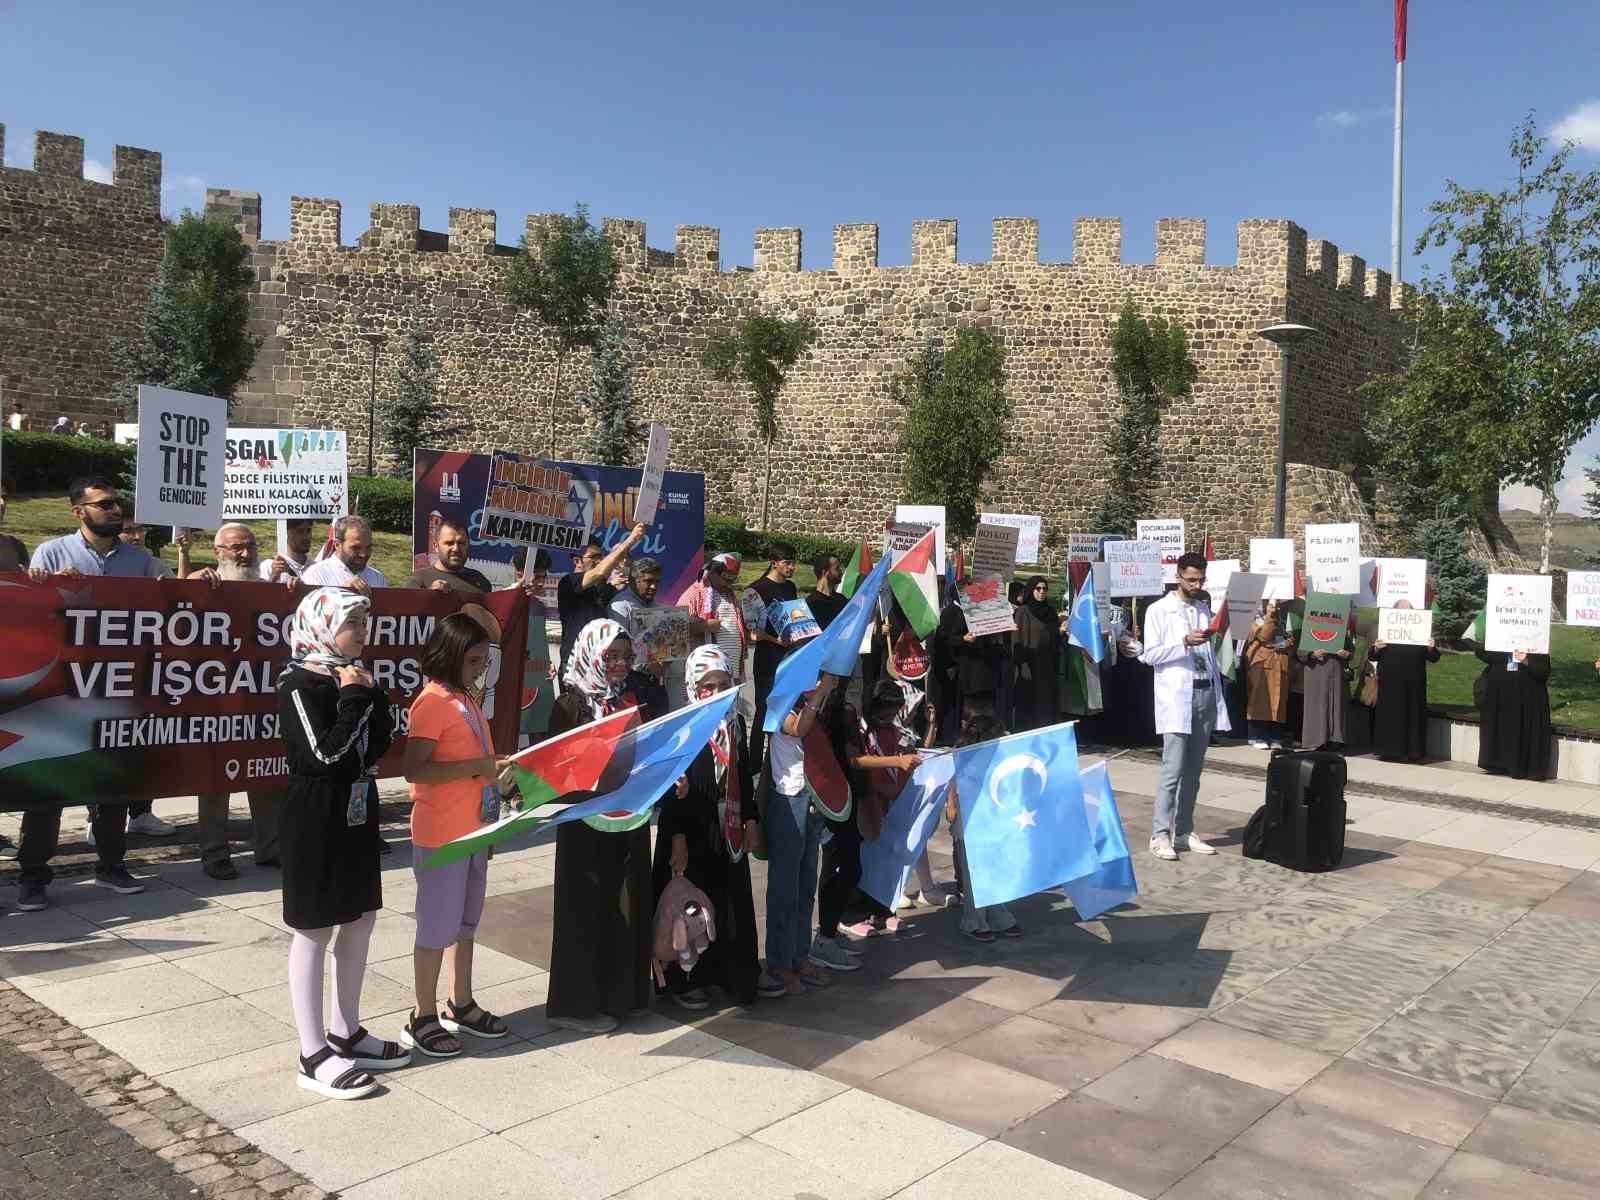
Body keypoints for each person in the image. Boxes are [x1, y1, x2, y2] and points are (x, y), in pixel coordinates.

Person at [18, 477, 177, 909]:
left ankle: (111, 864)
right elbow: (34, 614)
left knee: (112, 782)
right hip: (62, 690)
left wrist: (201, 578)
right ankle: (33, 875)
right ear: (79, 511)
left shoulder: (140, 560)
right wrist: (47, 584)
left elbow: (176, 596)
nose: (115, 510)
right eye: (104, 504)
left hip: (117, 688)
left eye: (117, 503)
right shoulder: (52, 553)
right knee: (49, 785)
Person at [277, 586, 407, 1098]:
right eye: (352, 623)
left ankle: (345, 1030)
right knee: (314, 928)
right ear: (323, 627)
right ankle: (312, 1052)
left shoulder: (350, 676)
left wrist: (370, 695)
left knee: (359, 918)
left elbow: (375, 747)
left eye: (363, 623)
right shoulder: (299, 683)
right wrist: (354, 699)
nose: (362, 633)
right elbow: (323, 756)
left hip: (356, 806)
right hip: (315, 812)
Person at [544, 618, 664, 1033]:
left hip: (627, 815)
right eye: (611, 656)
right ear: (591, 654)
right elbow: (559, 770)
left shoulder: (628, 696)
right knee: (585, 908)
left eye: (626, 656)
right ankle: (576, 1006)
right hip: (585, 822)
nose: (620, 664)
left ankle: (622, 995)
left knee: (626, 900)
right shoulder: (570, 704)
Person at [402, 613, 513, 1056]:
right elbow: (415, 769)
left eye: (484, 661)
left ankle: (460, 1001)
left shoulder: (464, 699)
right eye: (472, 661)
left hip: (473, 828)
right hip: (442, 834)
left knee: (465, 923)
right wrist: (477, 767)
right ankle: (422, 1014)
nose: (480, 669)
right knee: (436, 926)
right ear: (450, 656)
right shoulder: (432, 702)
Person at [650, 645, 763, 1009]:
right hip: (690, 829)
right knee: (692, 905)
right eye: (706, 686)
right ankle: (687, 981)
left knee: (731, 903)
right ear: (692, 687)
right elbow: (672, 790)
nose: (715, 693)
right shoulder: (683, 725)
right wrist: (678, 839)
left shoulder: (735, 722)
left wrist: (751, 819)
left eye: (722, 684)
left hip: (727, 826)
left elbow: (742, 775)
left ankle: (734, 976)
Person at [173, 525, 282, 878]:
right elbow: (174, 612)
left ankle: (270, 847)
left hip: (259, 697)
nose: (245, 553)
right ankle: (215, 853)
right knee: (215, 781)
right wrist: (191, 581)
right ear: (218, 552)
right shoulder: (204, 584)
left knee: (264, 774)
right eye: (236, 547)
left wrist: (289, 592)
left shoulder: (268, 590)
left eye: (250, 546)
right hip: (215, 700)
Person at [1139, 552, 1228, 861]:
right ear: (1177, 576)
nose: (1197, 585)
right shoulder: (1158, 610)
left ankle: (1185, 830)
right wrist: (1184, 643)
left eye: (1201, 580)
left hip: (1205, 692)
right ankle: (1159, 834)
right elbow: (1150, 655)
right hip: (1177, 696)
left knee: (1194, 770)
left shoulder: (1203, 609)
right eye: (1191, 579)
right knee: (1172, 769)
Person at [763, 674, 839, 995]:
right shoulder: (780, 702)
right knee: (785, 888)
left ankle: (799, 956)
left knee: (806, 884)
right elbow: (797, 729)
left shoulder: (814, 704)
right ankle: (780, 962)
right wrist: (820, 693)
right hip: (788, 799)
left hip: (812, 798)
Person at [946, 713, 1022, 941]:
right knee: (973, 871)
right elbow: (952, 778)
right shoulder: (962, 752)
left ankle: (998, 915)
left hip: (991, 816)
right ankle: (973, 921)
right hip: (968, 817)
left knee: (995, 867)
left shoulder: (998, 752)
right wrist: (951, 803)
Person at [557, 524, 646, 669]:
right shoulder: (569, 583)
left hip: (600, 664)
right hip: (575, 664)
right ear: (577, 561)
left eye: (601, 556)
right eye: (593, 557)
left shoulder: (602, 589)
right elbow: (601, 571)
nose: (599, 561)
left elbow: (618, 578)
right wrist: (632, 538)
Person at [744, 541, 799, 766]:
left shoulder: (790, 587)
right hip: (767, 658)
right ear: (774, 563)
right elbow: (752, 632)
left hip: (789, 657)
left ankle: (777, 760)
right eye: (787, 563)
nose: (792, 567)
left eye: (793, 563)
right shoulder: (755, 590)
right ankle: (755, 763)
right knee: (764, 710)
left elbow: (794, 617)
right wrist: (776, 640)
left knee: (786, 708)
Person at [1370, 602, 1440, 763]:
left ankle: (1413, 751)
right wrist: (1376, 648)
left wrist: (1431, 648)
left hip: (1413, 682)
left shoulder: (1420, 630)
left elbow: (1434, 657)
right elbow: (1372, 656)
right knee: (1390, 716)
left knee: (1412, 715)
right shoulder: (1386, 629)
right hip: (1390, 682)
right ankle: (1388, 750)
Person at [1476, 646, 1552, 780]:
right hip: (1500, 692)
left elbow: (1543, 671)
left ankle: (1520, 766)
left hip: (1528, 695)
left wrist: (1526, 660)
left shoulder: (1538, 643)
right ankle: (1499, 763)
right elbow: (1484, 654)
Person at [681, 553, 747, 693]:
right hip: (708, 677)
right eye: (726, 579)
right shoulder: (695, 593)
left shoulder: (729, 594)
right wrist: (704, 626)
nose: (728, 583)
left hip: (731, 671)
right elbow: (677, 628)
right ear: (712, 572)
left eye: (732, 580)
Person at [1012, 575, 1061, 731]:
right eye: (1038, 588)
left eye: (1044, 589)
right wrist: (1022, 663)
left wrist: (1060, 631)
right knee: (1029, 704)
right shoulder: (1023, 611)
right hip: (1030, 665)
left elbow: (1054, 635)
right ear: (1031, 590)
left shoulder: (1051, 612)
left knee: (1046, 705)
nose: (1041, 592)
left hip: (1047, 665)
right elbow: (1017, 639)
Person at [1242, 600, 1292, 749]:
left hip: (1280, 662)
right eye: (1270, 602)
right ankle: (1257, 735)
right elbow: (1264, 636)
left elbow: (1291, 638)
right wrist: (1270, 616)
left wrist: (1283, 644)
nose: (1275, 605)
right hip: (1261, 662)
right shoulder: (1253, 618)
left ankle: (1275, 736)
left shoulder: (1284, 617)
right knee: (1260, 699)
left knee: (1279, 700)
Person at [1297, 618, 1352, 751]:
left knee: (1336, 704)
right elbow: (1300, 652)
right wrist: (1312, 654)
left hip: (1336, 670)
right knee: (1317, 705)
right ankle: (1317, 740)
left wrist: (1347, 654)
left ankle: (1336, 739)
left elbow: (1351, 651)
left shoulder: (1341, 625)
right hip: (1315, 671)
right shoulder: (1309, 624)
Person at [301, 514, 386, 592]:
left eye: (368, 547)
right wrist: (342, 592)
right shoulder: (315, 575)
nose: (363, 554)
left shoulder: (378, 578)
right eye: (356, 548)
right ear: (337, 545)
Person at [406, 518, 490, 592]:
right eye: (449, 543)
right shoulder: (419, 580)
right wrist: (429, 594)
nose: (456, 549)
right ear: (436, 546)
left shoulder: (480, 579)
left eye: (461, 543)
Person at [263, 518, 316, 584]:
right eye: (299, 531)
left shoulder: (316, 568)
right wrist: (273, 577)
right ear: (285, 533)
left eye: (308, 530)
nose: (306, 537)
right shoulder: (269, 566)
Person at [806, 552, 847, 630]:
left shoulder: (841, 600)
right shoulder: (811, 604)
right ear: (825, 572)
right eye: (837, 568)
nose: (841, 572)